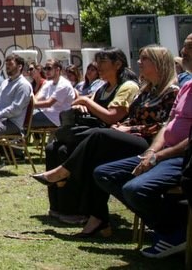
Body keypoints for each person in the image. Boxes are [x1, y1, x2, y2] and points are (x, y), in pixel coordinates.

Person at [31, 45, 179, 238]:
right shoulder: (146, 90)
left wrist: (126, 127)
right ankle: (97, 218)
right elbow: (130, 117)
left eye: (144, 59)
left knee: (98, 135)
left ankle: (64, 171)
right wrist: (122, 125)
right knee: (88, 156)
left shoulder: (171, 92)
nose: (139, 63)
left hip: (149, 144)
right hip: (125, 136)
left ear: (159, 63)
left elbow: (164, 127)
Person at [94, 35, 192, 258]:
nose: (183, 52)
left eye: (188, 48)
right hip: (159, 151)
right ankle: (173, 227)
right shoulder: (187, 87)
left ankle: (175, 233)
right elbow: (168, 126)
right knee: (104, 173)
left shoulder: (174, 89)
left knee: (134, 189)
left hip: (182, 156)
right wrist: (150, 153)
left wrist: (158, 156)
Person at [42, 47, 139, 222]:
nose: (97, 66)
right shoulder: (103, 87)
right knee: (52, 148)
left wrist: (86, 101)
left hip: (109, 138)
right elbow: (87, 105)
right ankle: (58, 206)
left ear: (117, 64)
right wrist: (82, 105)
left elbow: (112, 116)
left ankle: (77, 210)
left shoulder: (128, 87)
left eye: (103, 62)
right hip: (92, 132)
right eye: (97, 62)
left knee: (65, 151)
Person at [30, 58, 76, 128]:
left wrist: (29, 105)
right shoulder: (49, 83)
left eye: (49, 68)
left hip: (57, 118)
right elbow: (37, 98)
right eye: (45, 68)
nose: (46, 71)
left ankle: (19, 138)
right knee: (23, 116)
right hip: (46, 114)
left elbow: (48, 103)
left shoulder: (64, 85)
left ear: (57, 70)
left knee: (24, 118)